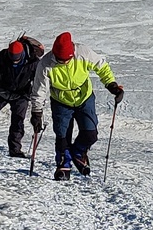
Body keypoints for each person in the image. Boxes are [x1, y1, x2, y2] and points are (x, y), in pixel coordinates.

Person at [31, 32, 124, 181]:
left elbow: (101, 66)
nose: (63, 63)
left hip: (84, 97)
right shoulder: (46, 63)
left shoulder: (83, 53)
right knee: (62, 136)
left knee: (90, 134)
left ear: (72, 53)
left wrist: (111, 85)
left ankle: (78, 153)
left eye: (66, 60)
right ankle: (63, 164)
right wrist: (36, 112)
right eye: (60, 60)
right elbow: (39, 89)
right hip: (60, 101)